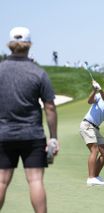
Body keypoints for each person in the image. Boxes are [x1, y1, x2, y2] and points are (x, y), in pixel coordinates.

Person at [0, 27, 59, 213]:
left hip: (4, 134)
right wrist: (54, 137)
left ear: (10, 45)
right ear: (29, 45)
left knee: (1, 180)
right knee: (35, 180)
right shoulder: (38, 73)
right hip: (32, 135)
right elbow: (49, 106)